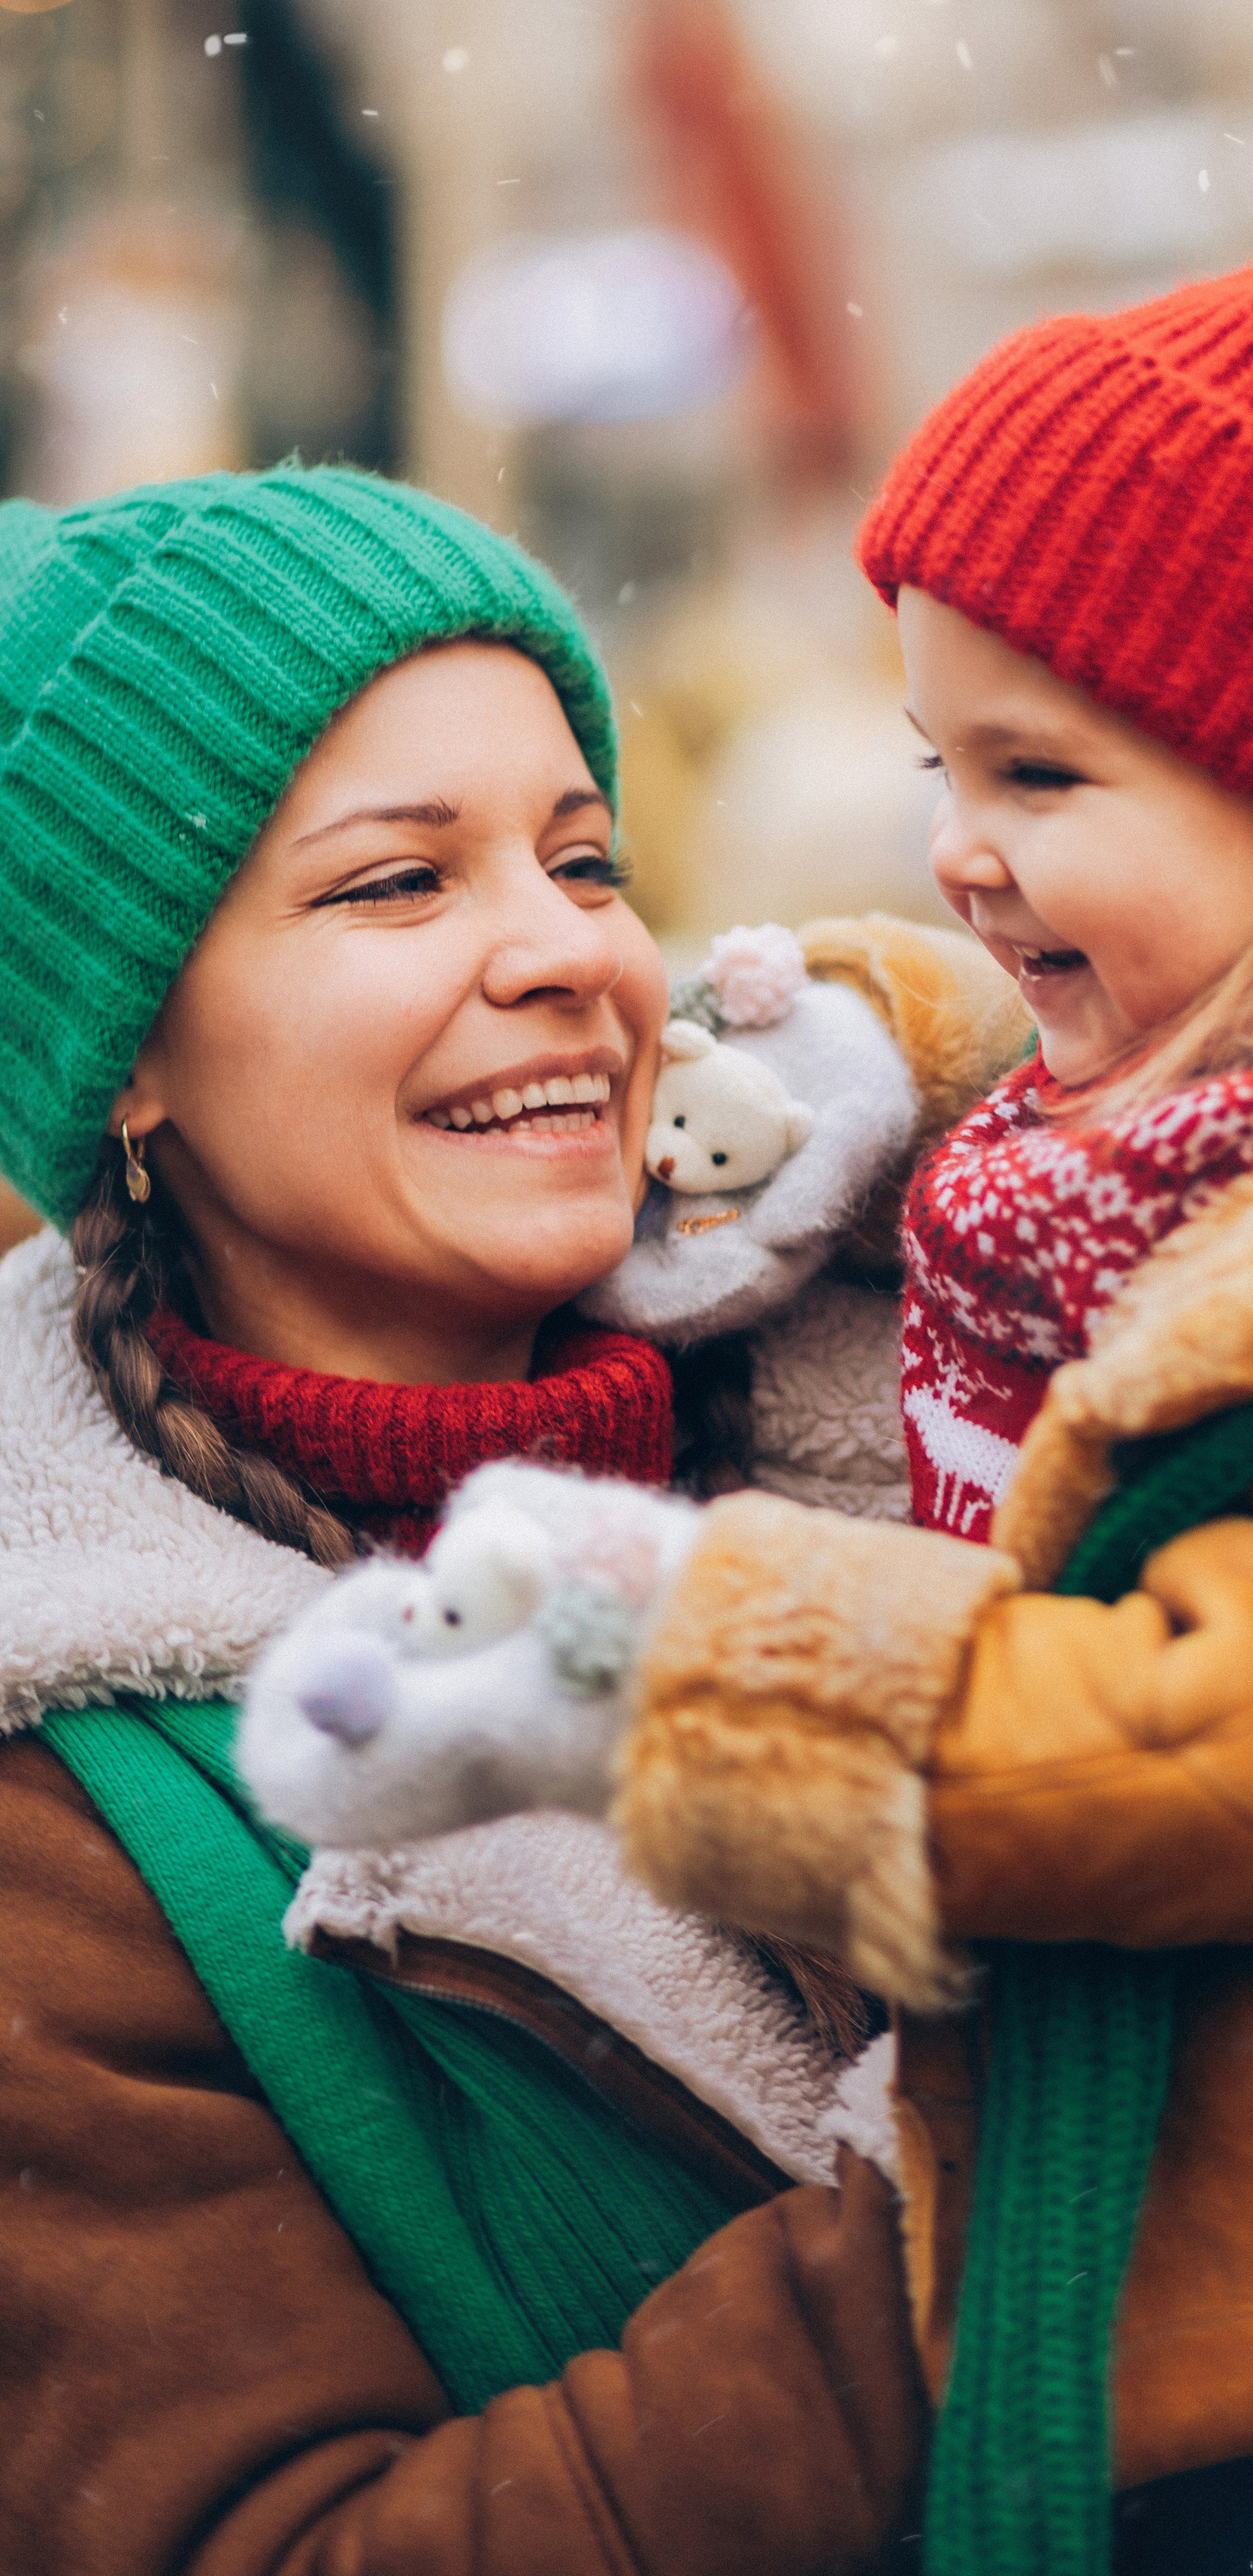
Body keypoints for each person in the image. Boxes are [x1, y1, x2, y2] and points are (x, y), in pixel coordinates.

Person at [244, 16, 1253, 2576]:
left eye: (1038, 780)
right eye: (937, 770)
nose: (958, 860)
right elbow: (1063, 1093)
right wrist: (853, 1072)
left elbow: (1244, 1755)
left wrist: (665, 1669)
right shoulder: (1174, 1148)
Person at [0, 462, 1043, 2573]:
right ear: (129, 1061)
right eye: (399, 886)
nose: (566, 953)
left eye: (586, 860)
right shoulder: (67, 1840)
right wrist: (1023, 2160)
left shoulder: (986, 1383)